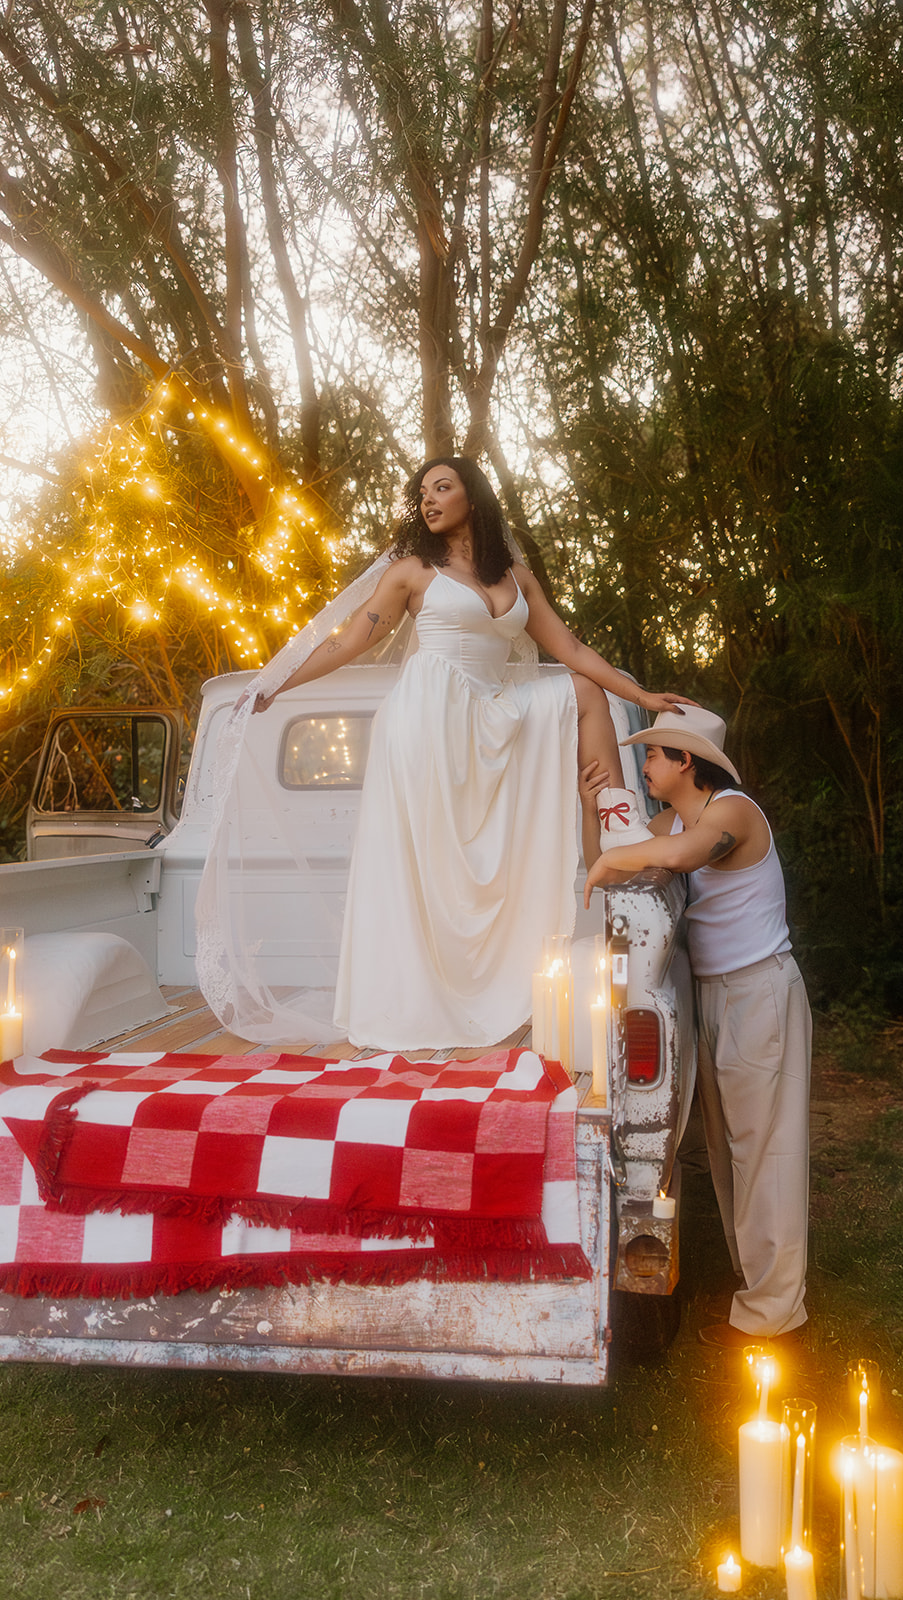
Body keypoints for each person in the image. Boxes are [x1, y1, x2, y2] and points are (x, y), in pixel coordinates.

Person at [238, 456, 693, 1051]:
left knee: (584, 692)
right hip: (428, 722)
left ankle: (617, 824)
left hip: (491, 710)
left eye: (442, 488)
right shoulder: (411, 573)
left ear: (471, 498)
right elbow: (350, 640)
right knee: (436, 866)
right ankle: (424, 991)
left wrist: (639, 693)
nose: (428, 500)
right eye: (422, 492)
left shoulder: (518, 579)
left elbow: (573, 647)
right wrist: (275, 682)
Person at [583, 705, 811, 1343]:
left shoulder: (731, 811)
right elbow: (611, 852)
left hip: (758, 990)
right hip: (718, 995)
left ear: (686, 761)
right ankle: (759, 1288)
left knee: (766, 1148)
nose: (646, 765)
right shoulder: (676, 817)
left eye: (654, 755)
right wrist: (594, 806)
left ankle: (774, 1313)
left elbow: (677, 854)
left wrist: (617, 860)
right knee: (730, 1148)